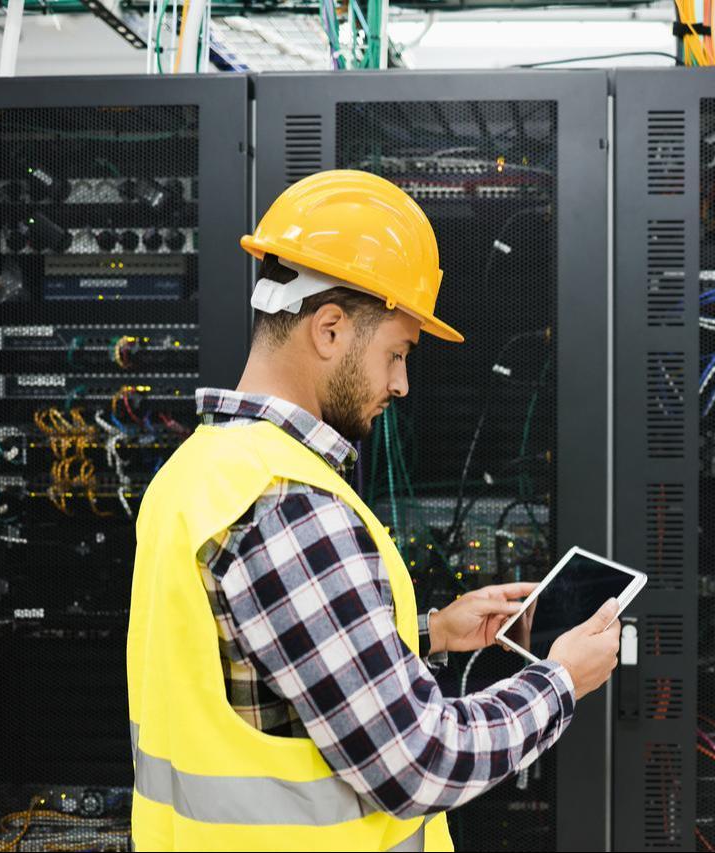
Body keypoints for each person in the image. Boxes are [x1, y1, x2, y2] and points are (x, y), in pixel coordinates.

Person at [126, 169, 621, 852]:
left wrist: (429, 632)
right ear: (329, 330)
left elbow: (254, 672)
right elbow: (420, 764)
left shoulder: (197, 471)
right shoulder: (288, 501)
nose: (401, 382)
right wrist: (560, 680)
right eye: (397, 352)